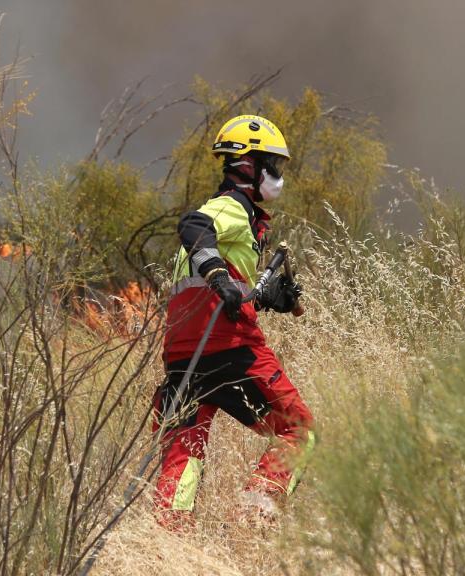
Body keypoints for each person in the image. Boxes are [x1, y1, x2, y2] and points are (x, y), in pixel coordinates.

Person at [151, 114, 314, 528]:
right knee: (299, 430)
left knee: (184, 448)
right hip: (229, 348)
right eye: (272, 165)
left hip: (183, 353)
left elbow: (216, 294)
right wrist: (218, 274)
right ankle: (251, 523)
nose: (277, 175)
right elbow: (193, 226)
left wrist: (262, 296)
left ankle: (166, 544)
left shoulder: (241, 218)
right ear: (248, 165)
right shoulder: (228, 208)